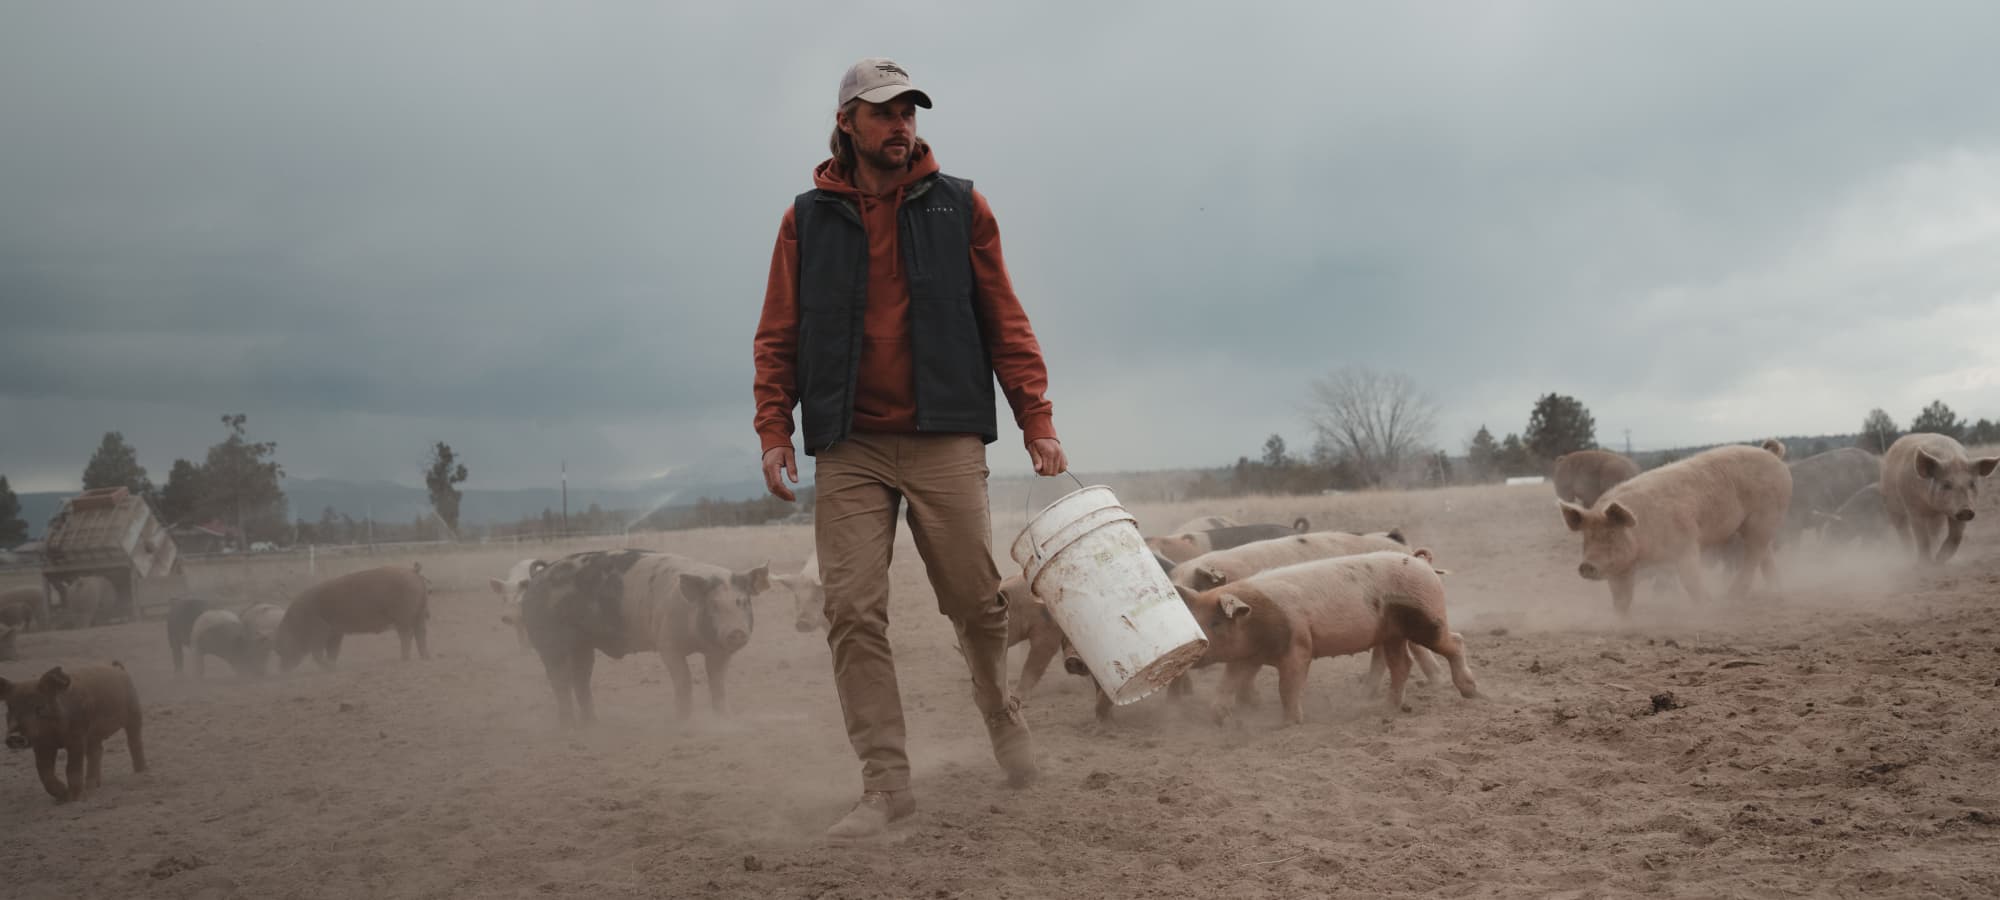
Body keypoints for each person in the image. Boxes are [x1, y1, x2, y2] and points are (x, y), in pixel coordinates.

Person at [752, 57, 1067, 841]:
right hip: (849, 442)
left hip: (945, 432)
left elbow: (1005, 317)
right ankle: (886, 785)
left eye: (910, 113)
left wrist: (1036, 417)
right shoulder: (805, 220)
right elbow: (778, 332)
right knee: (851, 610)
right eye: (885, 113)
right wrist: (773, 428)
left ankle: (1000, 709)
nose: (902, 126)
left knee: (976, 602)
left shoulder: (961, 206)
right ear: (848, 123)